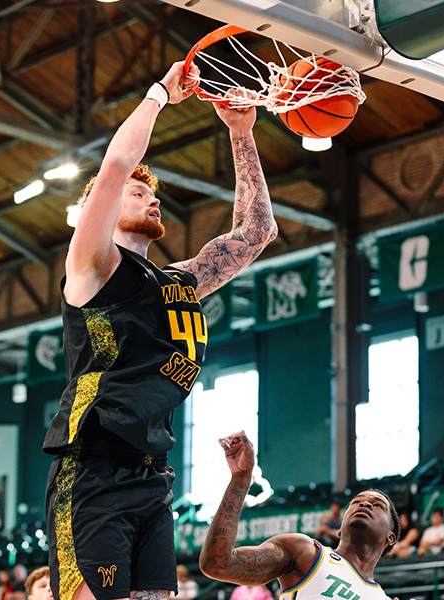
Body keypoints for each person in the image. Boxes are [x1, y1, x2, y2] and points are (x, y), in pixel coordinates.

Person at [43, 60, 277, 600]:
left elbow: (257, 231)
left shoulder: (178, 283)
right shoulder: (92, 264)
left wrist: (241, 135)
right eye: (136, 193)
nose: (152, 198)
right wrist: (159, 94)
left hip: (153, 477)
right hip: (93, 469)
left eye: (153, 195)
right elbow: (118, 162)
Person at [199, 431, 399, 600]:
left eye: (377, 505)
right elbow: (218, 564)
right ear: (339, 529)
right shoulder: (306, 552)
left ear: (391, 537)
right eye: (355, 502)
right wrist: (241, 479)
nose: (363, 503)